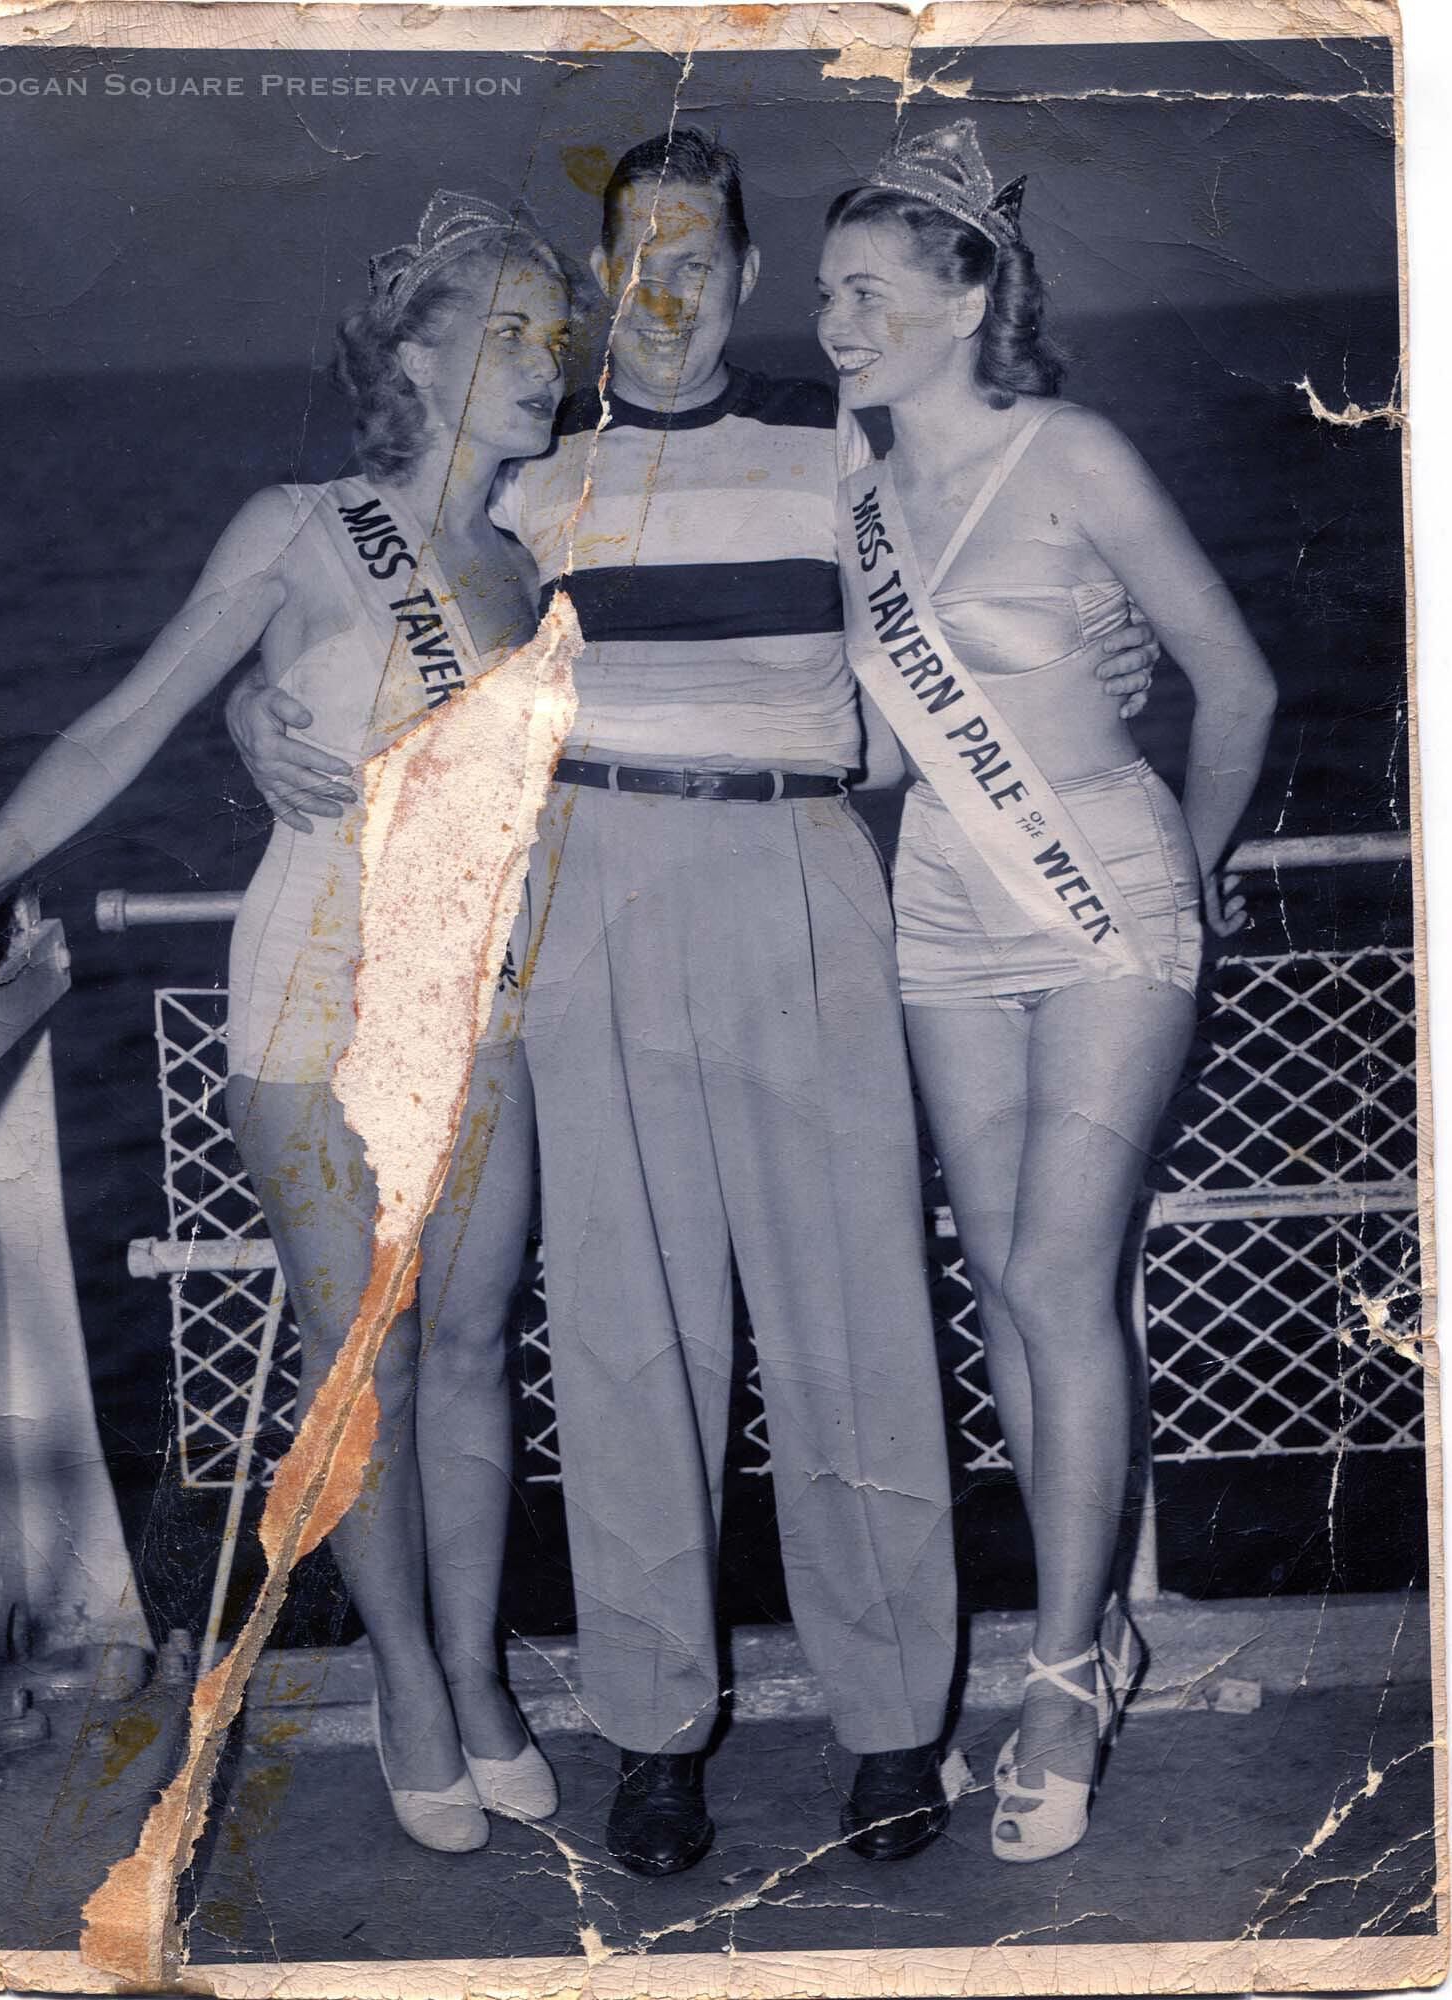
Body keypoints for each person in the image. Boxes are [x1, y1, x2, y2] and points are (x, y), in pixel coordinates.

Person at [232, 128, 1166, 1878]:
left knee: (854, 1319)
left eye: (697, 257)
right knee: (619, 1329)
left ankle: (893, 1724)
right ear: (600, 281)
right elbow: (358, 612)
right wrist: (251, 723)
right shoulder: (535, 476)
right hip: (587, 889)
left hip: (804, 877)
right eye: (633, 257)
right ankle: (655, 1732)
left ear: (742, 278)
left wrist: (1108, 646)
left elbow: (987, 612)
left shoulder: (845, 452)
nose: (661, 288)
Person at [0, 192, 577, 1855]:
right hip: (314, 986)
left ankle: (476, 1671)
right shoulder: (301, 525)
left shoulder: (549, 538)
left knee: (472, 1348)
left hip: (485, 994)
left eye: (553, 335)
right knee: (368, 1360)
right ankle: (406, 1684)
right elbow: (119, 723)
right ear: (412, 356)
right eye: (504, 331)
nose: (544, 364)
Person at [817, 121, 1277, 1863]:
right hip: (938, 896)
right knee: (1006, 1291)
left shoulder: (1071, 453)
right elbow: (879, 748)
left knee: (1052, 1275)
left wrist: (1193, 872)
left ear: (964, 300)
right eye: (825, 292)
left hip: (1101, 891)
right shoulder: (855, 498)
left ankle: (1065, 1671)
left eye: (870, 291)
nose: (837, 321)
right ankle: (1083, 1630)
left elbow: (1235, 683)